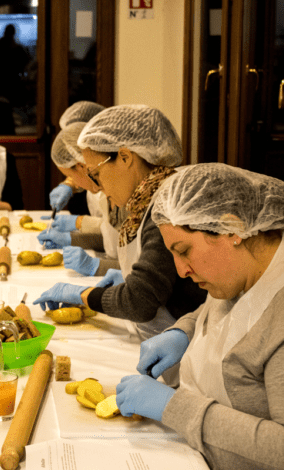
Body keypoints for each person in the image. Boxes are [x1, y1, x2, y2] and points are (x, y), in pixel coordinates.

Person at [116, 163, 284, 469]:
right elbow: (232, 310)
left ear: (232, 228)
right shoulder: (251, 265)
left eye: (184, 250)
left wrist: (174, 407)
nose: (181, 270)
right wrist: (184, 332)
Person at [33, 105, 206, 354]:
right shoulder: (145, 200)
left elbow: (140, 301)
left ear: (125, 158)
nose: (97, 186)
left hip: (183, 348)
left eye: (96, 173)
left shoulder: (166, 208)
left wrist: (84, 294)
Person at [40, 121, 126, 262]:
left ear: (81, 166)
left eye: (71, 176)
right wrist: (72, 239)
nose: (73, 183)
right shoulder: (106, 193)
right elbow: (111, 239)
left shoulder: (121, 194)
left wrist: (96, 266)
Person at [0, 24, 31, 106]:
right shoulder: (18, 49)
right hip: (13, 88)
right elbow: (26, 65)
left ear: (4, 32)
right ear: (14, 34)